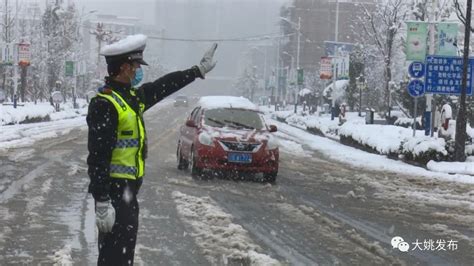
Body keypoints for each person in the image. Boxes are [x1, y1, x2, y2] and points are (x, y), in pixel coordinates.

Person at [86, 34, 217, 265]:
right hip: (116, 191)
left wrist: (196, 71)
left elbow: (163, 85)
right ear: (124, 67)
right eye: (136, 65)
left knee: (122, 255)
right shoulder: (106, 103)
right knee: (115, 257)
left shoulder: (131, 97)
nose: (138, 70)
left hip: (128, 191)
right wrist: (102, 200)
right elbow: (98, 157)